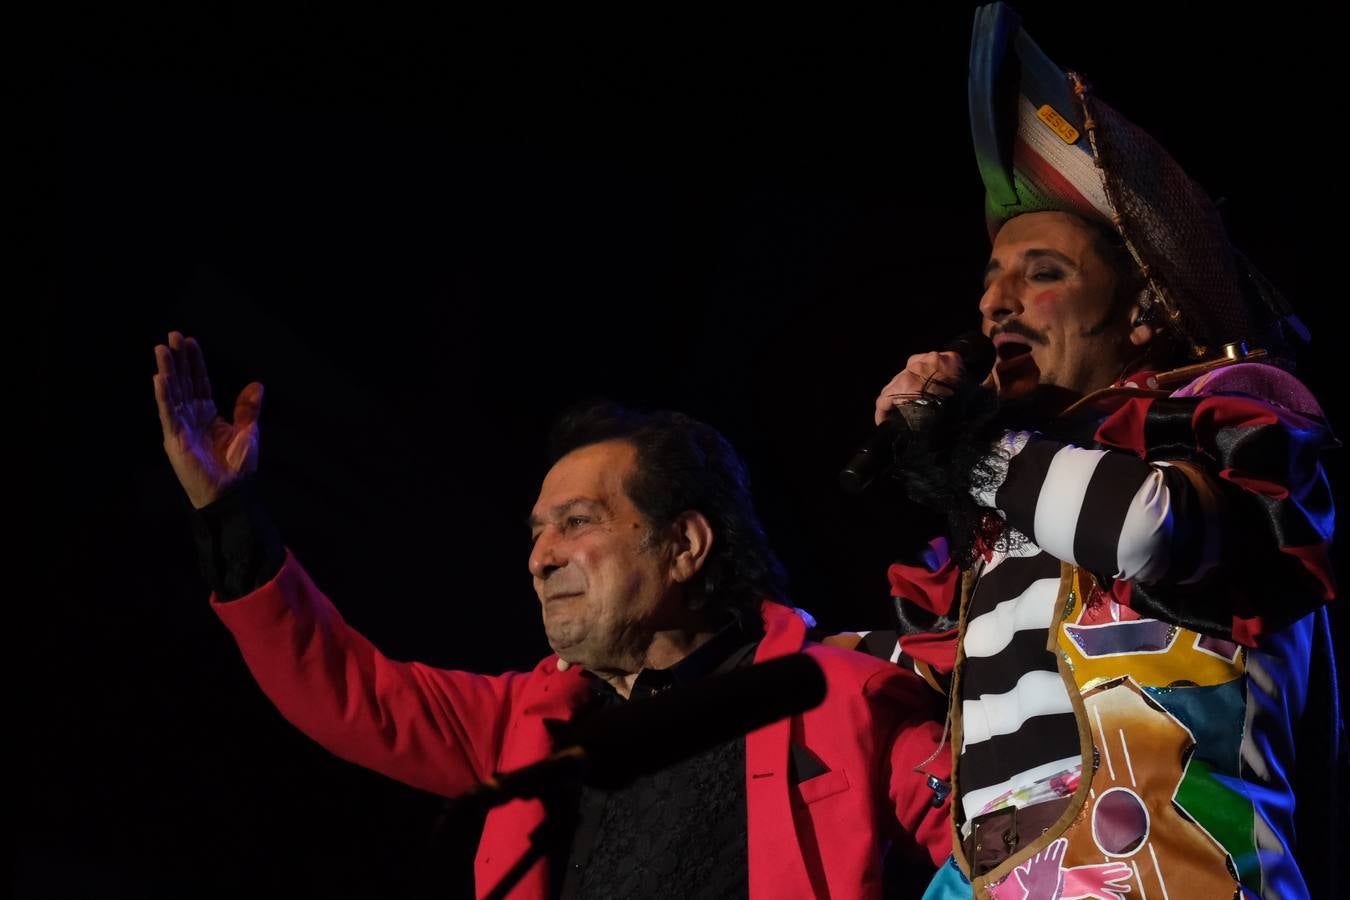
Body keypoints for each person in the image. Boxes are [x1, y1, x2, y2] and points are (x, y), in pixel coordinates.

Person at [152, 332, 951, 898]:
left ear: (684, 545)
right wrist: (226, 513)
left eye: (577, 523)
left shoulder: (843, 696)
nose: (540, 557)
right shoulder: (528, 728)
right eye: (536, 534)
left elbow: (1002, 857)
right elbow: (343, 687)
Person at [854, 5, 1339, 899]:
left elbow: (1149, 528)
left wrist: (963, 444)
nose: (998, 305)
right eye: (991, 282)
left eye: (1042, 274)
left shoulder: (1229, 418)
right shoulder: (1017, 495)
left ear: (1144, 313)